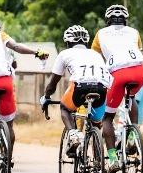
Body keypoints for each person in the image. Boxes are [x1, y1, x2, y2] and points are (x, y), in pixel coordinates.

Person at [0, 10, 48, 149]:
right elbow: (16, 47)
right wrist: (36, 52)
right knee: (9, 125)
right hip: (5, 82)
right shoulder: (0, 35)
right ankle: (7, 159)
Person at [41, 25, 112, 155]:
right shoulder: (96, 54)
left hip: (80, 87)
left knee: (65, 108)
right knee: (96, 124)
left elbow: (53, 83)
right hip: (102, 88)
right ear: (85, 42)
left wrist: (46, 97)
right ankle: (98, 165)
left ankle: (73, 135)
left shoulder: (65, 53)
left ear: (68, 42)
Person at [92, 4, 143, 171]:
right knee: (130, 97)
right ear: (126, 20)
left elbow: (95, 59)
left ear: (108, 20)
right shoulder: (134, 32)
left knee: (107, 118)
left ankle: (112, 158)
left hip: (117, 73)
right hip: (139, 72)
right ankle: (132, 135)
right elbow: (137, 51)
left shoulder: (100, 34)